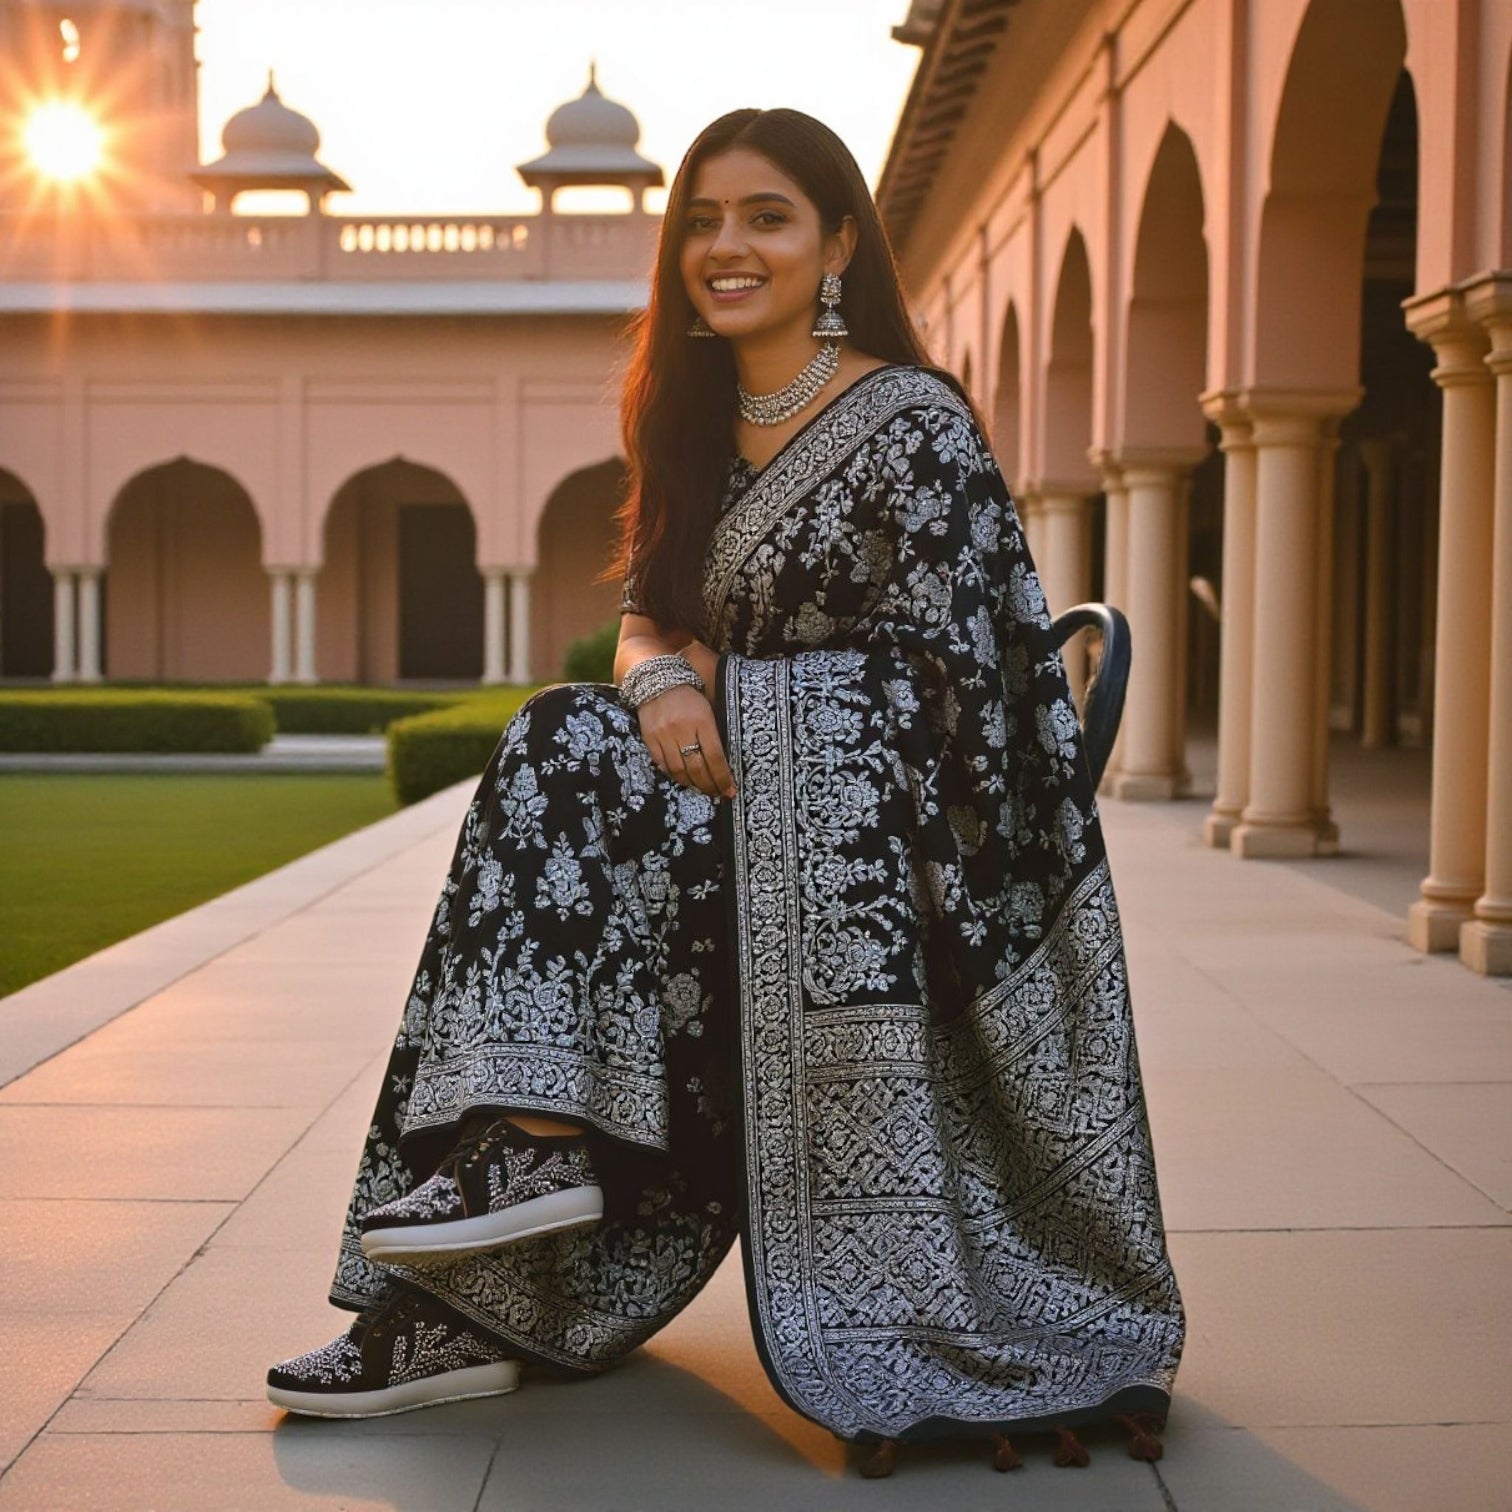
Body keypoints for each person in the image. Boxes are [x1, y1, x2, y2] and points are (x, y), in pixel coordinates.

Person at [266, 105, 1186, 1474]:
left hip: (879, 863)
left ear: (835, 246)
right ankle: (504, 1185)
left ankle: (484, 1236)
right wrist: (662, 681)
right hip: (727, 816)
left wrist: (750, 693)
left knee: (554, 759)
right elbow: (652, 616)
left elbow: (973, 688)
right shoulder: (692, 420)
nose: (725, 246)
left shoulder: (912, 420)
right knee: (566, 736)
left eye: (765, 217)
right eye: (702, 219)